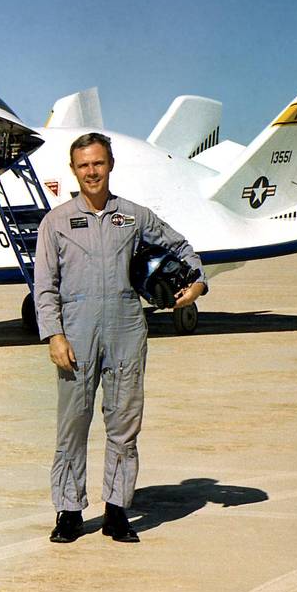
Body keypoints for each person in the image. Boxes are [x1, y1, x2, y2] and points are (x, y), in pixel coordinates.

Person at [33, 132, 207, 544]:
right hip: (76, 333)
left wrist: (197, 284)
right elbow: (44, 285)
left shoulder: (134, 216)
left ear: (110, 165)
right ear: (73, 170)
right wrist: (54, 335)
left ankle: (116, 510)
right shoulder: (55, 222)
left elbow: (182, 247)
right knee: (72, 426)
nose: (91, 172)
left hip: (127, 329)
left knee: (124, 425)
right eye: (83, 165)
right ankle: (70, 511)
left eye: (98, 163)